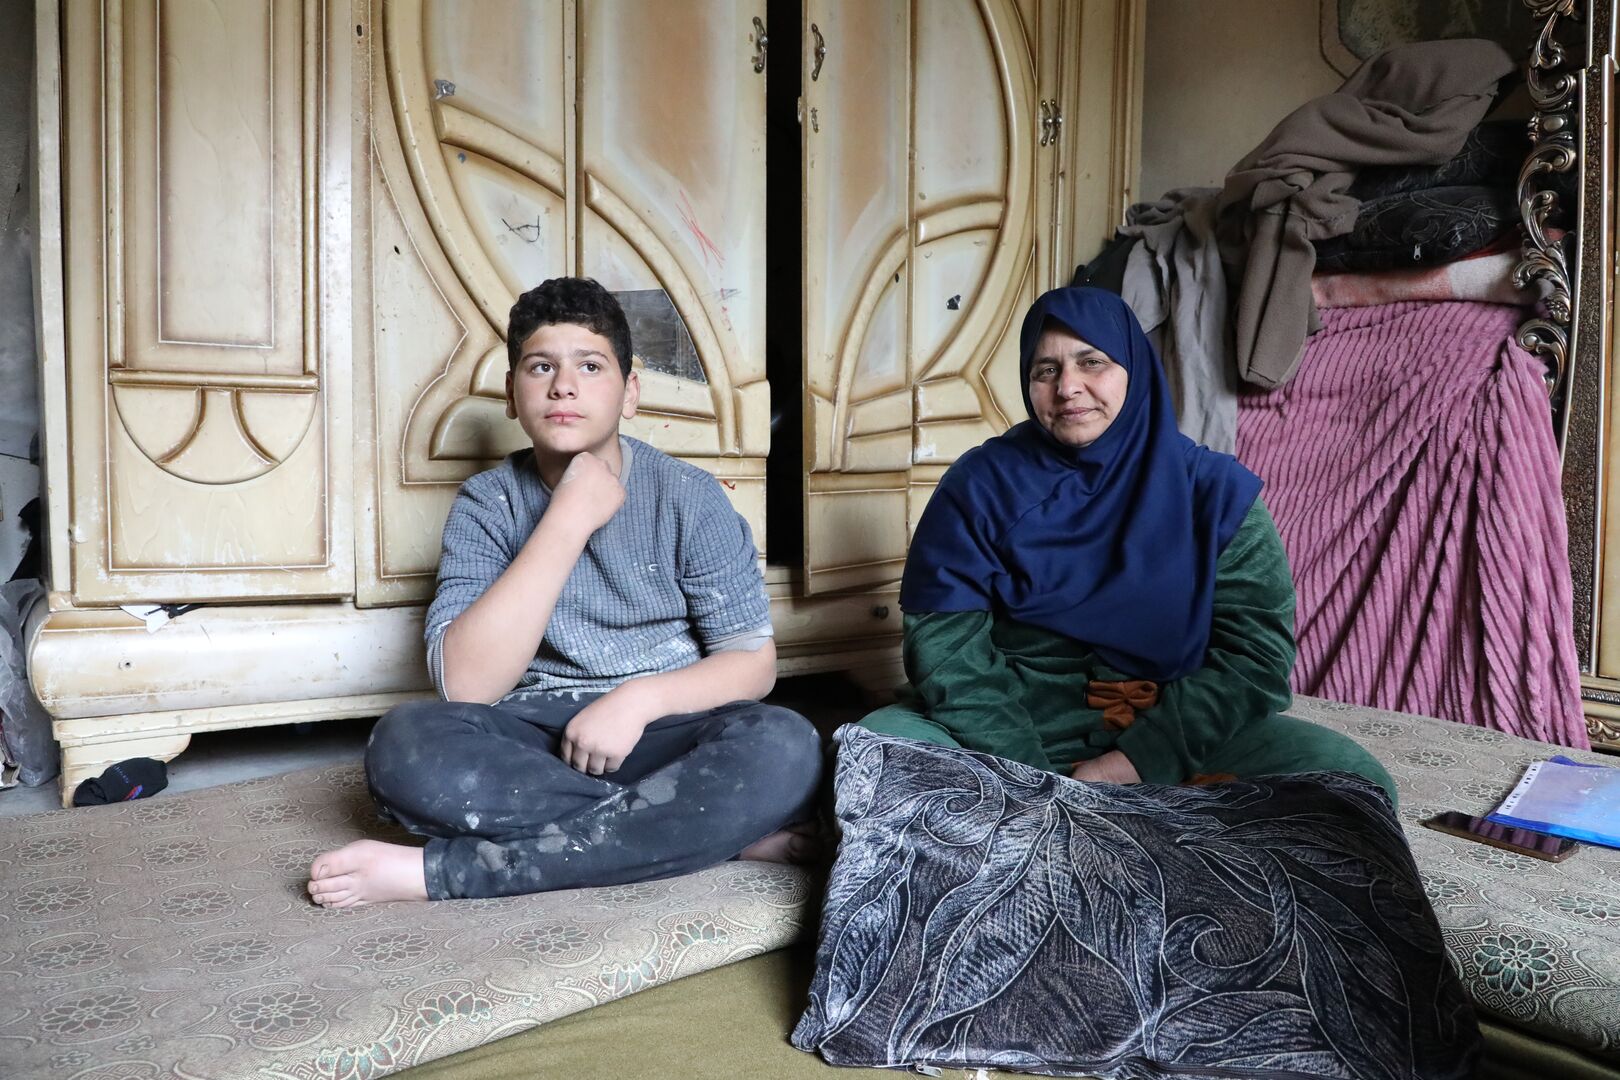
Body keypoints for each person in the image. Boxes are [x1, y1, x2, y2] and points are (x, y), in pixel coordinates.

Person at [308, 278, 822, 907]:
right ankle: (708, 835)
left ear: (630, 393)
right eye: (541, 366)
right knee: (404, 745)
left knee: (787, 746)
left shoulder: (689, 497)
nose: (564, 386)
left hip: (668, 731)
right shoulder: (487, 503)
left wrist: (637, 701)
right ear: (511, 394)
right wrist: (568, 517)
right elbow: (468, 686)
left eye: (591, 366)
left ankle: (447, 873)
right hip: (538, 740)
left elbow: (753, 662)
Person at [860, 286, 1395, 798]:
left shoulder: (1214, 493)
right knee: (874, 757)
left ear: (1134, 370)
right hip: (1010, 733)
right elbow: (948, 652)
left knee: (1352, 782)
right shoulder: (978, 488)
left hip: (1173, 740)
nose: (1067, 387)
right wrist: (1036, 782)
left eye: (1091, 362)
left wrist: (1130, 766)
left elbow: (1254, 657)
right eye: (1045, 370)